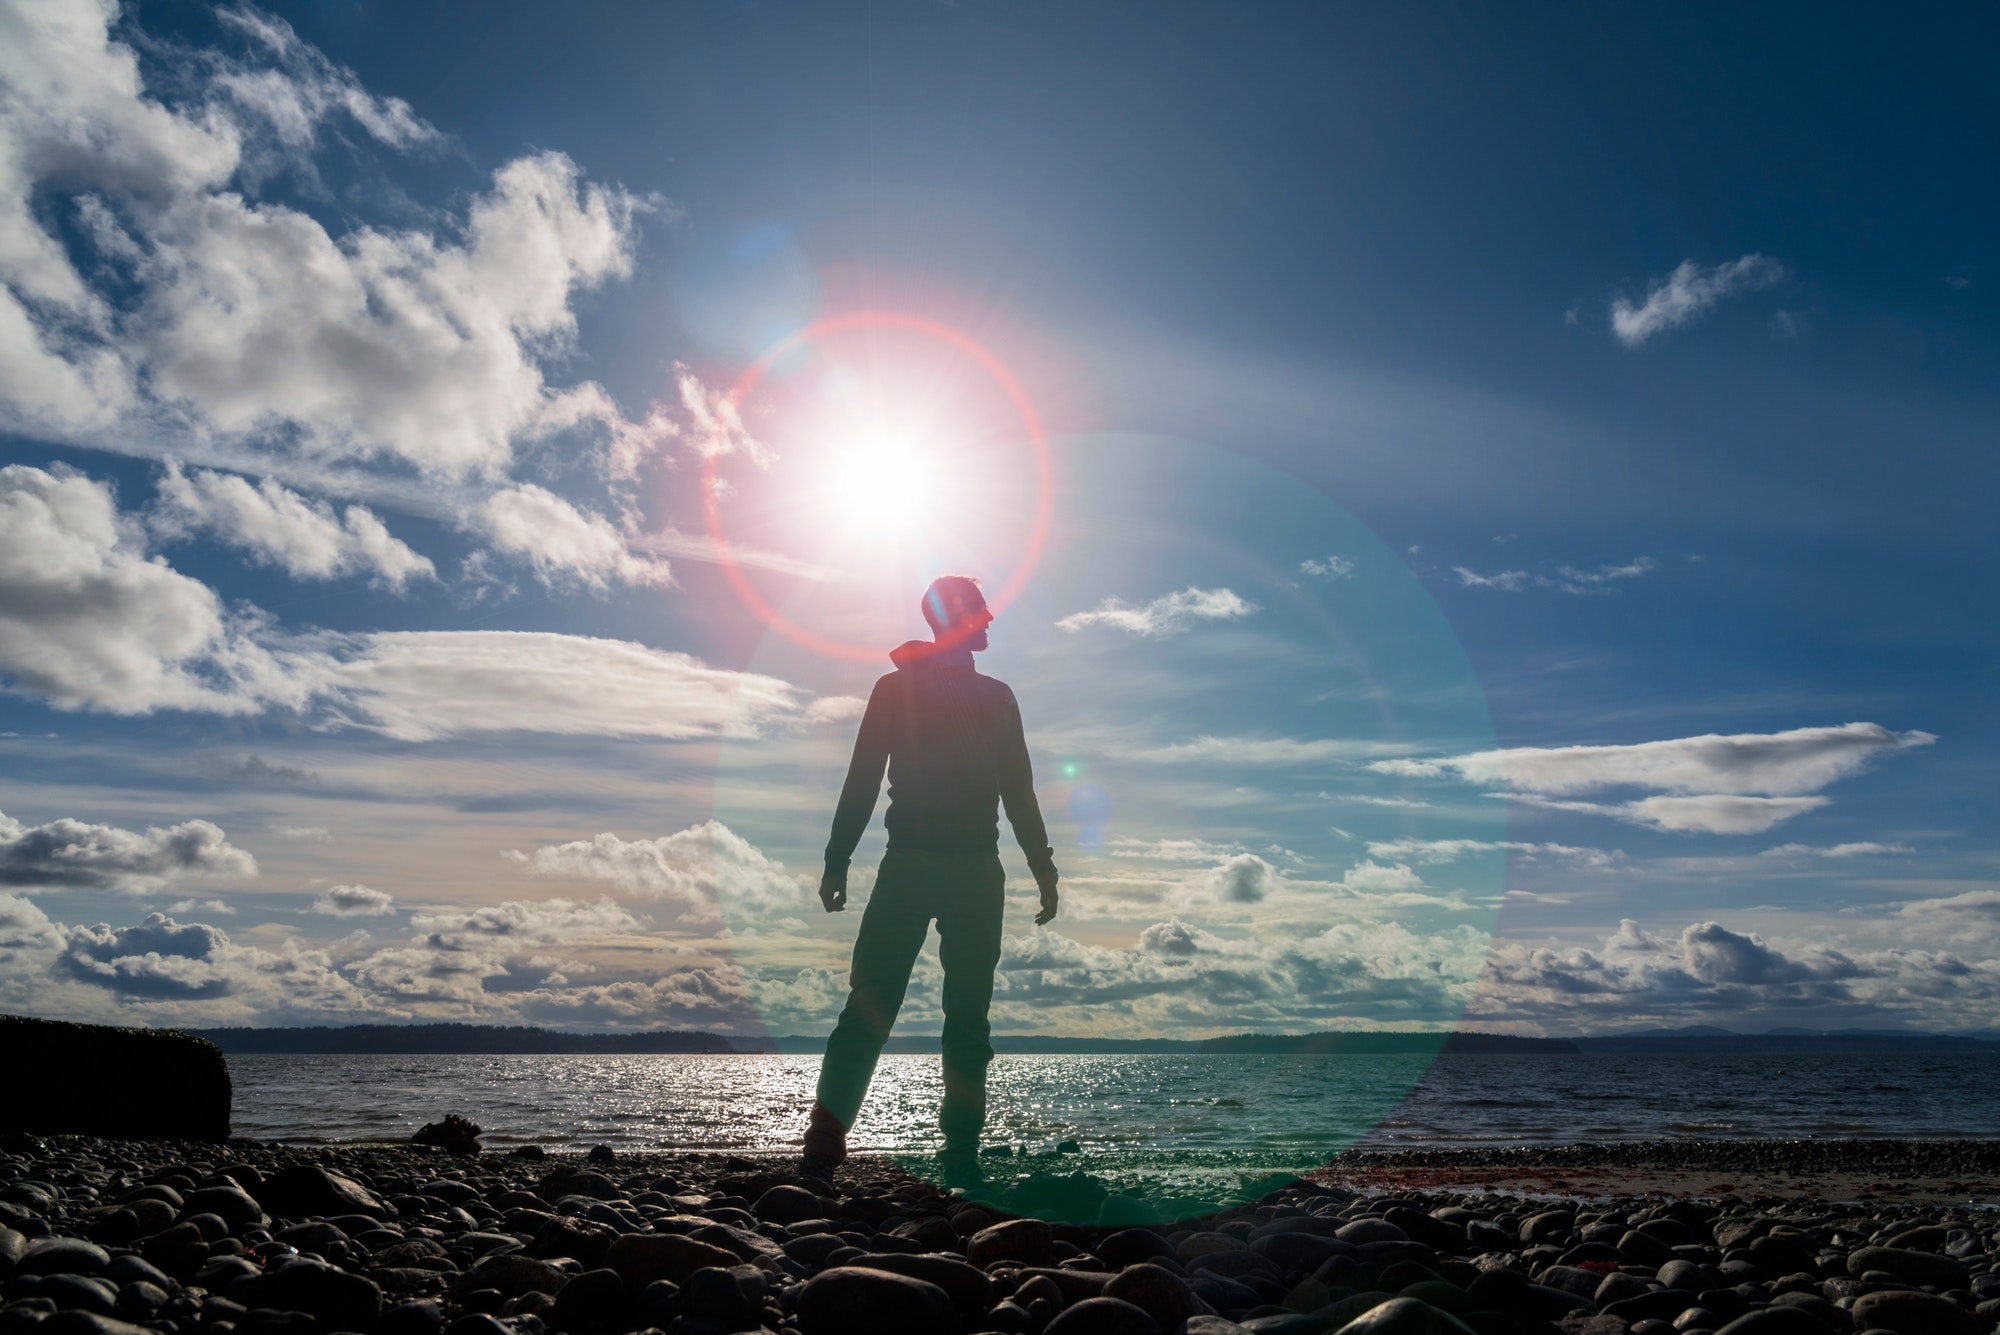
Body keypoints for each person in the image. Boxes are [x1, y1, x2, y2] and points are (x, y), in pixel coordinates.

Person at [802, 574, 1059, 1185]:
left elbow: (1018, 791)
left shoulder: (998, 697)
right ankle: (824, 1146)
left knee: (965, 1017)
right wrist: (837, 857)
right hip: (914, 863)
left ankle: (959, 1153)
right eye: (982, 613)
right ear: (959, 619)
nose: (992, 622)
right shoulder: (896, 690)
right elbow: (863, 777)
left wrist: (1042, 866)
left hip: (973, 869)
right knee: (875, 1008)